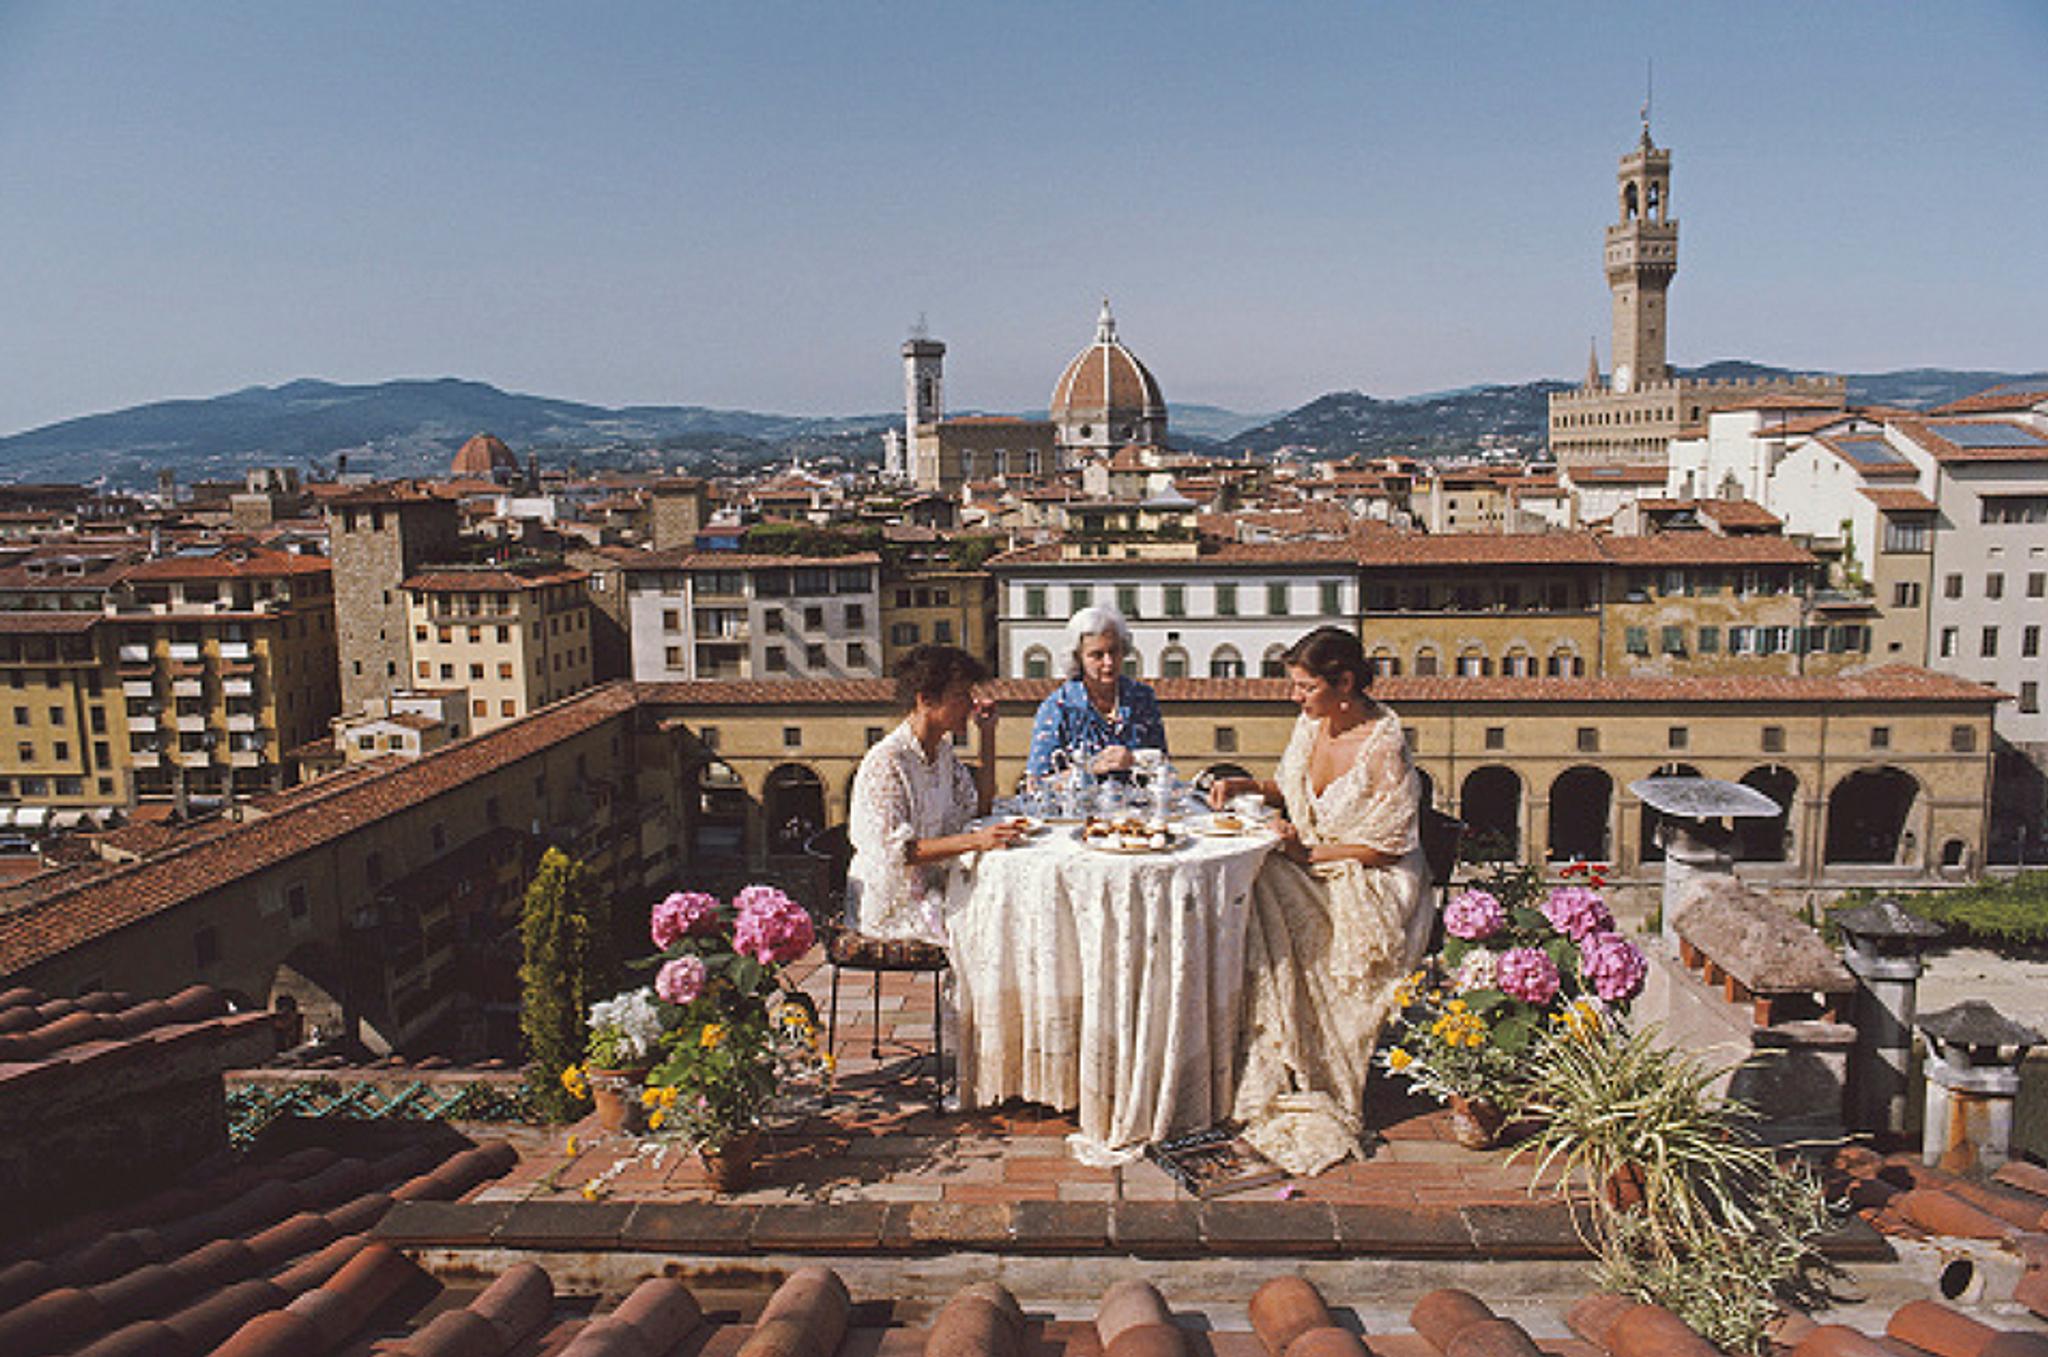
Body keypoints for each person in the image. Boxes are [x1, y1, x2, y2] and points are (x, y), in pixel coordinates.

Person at [1208, 625, 1429, 1176]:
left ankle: (1297, 1066)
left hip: (1371, 873)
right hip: (1313, 856)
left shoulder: (1384, 744)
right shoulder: (1311, 723)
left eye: (1305, 686)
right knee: (1251, 878)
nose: (1296, 696)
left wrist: (1310, 853)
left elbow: (1389, 845)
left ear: (1345, 683)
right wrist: (1247, 788)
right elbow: (1290, 786)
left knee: (1261, 886)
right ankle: (1263, 1056)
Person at [846, 645, 1025, 943]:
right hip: (894, 907)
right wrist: (977, 840)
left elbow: (978, 809)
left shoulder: (941, 753)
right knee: (997, 926)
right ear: (925, 699)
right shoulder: (887, 762)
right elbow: (897, 852)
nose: (971, 704)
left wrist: (988, 735)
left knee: (1011, 911)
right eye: (960, 695)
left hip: (936, 889)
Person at [1024, 605, 1168, 780]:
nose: (1109, 662)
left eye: (1114, 652)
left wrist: (1133, 759)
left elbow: (1162, 764)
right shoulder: (1058, 707)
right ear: (1078, 657)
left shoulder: (1141, 698)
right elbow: (1036, 783)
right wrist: (1091, 768)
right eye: (1097, 655)